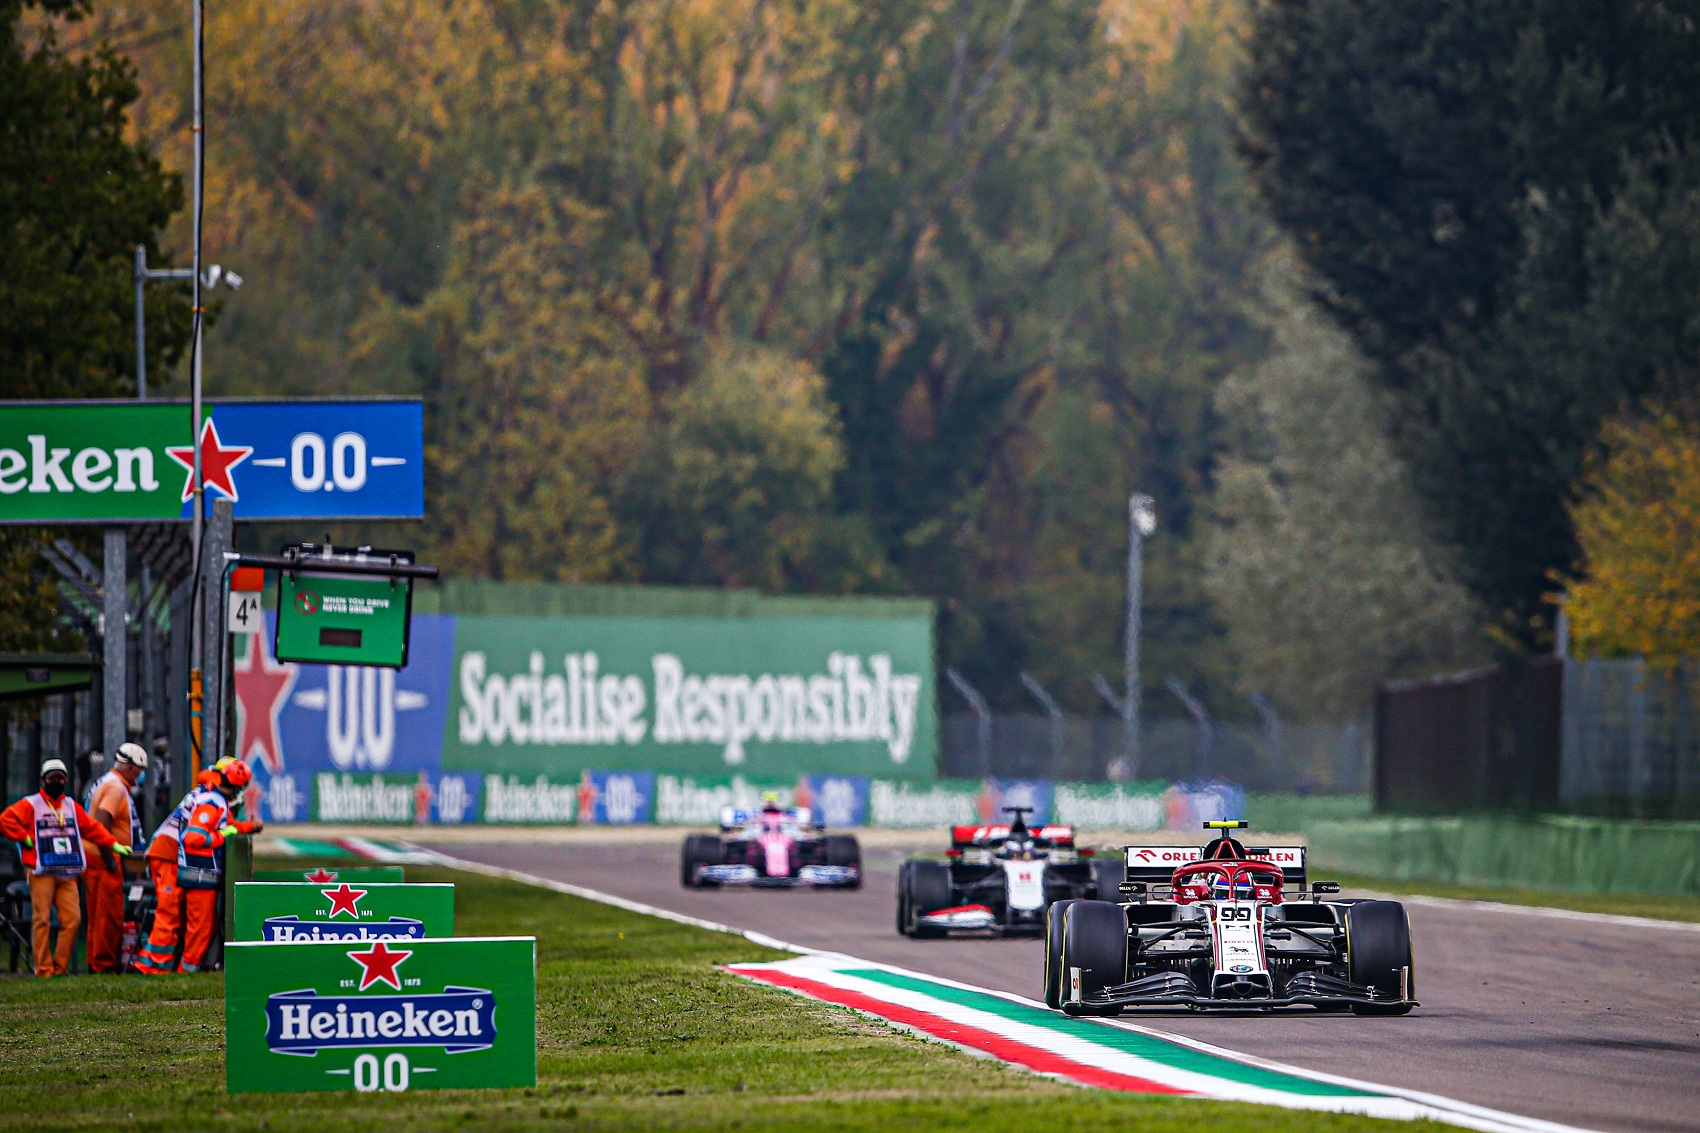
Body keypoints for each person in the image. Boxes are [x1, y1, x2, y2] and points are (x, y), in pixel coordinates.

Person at [0, 759, 128, 977]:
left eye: (60, 777)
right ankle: (44, 969)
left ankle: (59, 968)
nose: (56, 781)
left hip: (67, 871)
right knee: (42, 920)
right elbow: (6, 820)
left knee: (72, 920)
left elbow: (92, 828)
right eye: (52, 778)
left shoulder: (70, 806)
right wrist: (25, 839)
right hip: (41, 871)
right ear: (43, 780)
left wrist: (112, 843)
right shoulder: (31, 804)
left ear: (66, 780)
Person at [135, 758, 262, 974]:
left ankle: (158, 965)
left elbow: (225, 824)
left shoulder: (209, 793)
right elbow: (196, 837)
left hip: (173, 854)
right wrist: (224, 835)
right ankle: (155, 966)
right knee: (170, 912)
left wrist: (248, 826)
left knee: (175, 914)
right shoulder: (213, 801)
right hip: (169, 855)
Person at [85, 743, 148, 973]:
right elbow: (102, 820)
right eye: (139, 771)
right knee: (108, 915)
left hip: (95, 857)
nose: (140, 776)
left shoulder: (108, 782)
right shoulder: (115, 788)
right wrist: (109, 858)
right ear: (129, 767)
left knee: (96, 914)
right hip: (102, 859)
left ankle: (96, 962)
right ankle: (104, 964)